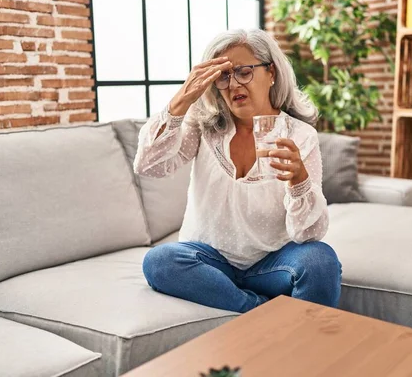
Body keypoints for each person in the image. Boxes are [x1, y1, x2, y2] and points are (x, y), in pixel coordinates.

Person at [133, 29, 341, 313]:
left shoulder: (300, 135)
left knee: (320, 261)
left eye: (243, 72)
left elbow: (308, 235)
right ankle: (259, 313)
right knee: (159, 261)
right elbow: (148, 165)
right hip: (208, 262)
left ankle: (293, 338)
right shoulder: (203, 126)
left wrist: (299, 180)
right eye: (223, 76)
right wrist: (182, 99)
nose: (233, 84)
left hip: (271, 264)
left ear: (271, 73)